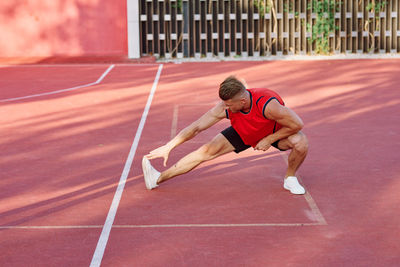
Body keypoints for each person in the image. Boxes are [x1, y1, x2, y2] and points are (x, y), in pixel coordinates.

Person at [142, 76, 308, 194]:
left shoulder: (268, 105)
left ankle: (290, 178)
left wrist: (269, 139)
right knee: (205, 152)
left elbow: (297, 124)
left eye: (229, 104)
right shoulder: (225, 107)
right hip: (244, 132)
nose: (225, 107)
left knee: (300, 142)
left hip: (273, 132)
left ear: (242, 101)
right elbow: (196, 127)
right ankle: (157, 178)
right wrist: (169, 146)